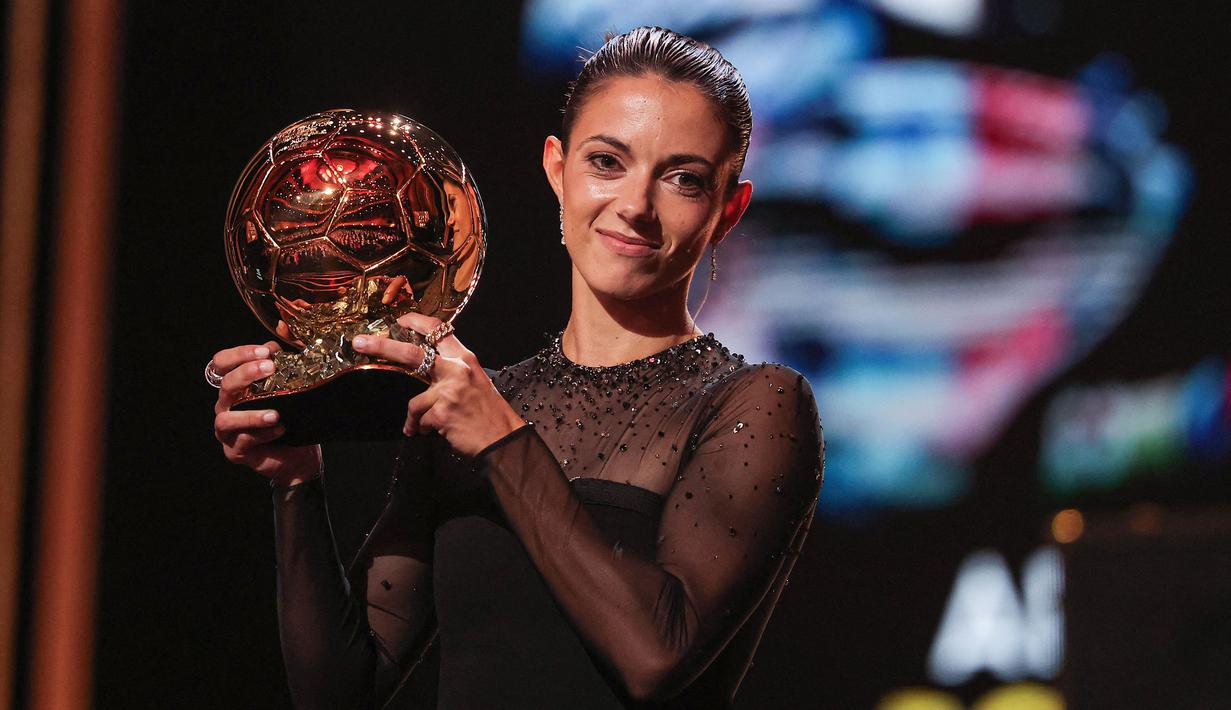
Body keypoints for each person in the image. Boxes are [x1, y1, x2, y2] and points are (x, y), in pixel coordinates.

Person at [210, 26, 823, 709]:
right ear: (557, 169)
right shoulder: (472, 408)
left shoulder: (753, 405)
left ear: (727, 209)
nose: (635, 206)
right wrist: (297, 485)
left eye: (681, 178)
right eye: (607, 162)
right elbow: (342, 691)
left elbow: (658, 657)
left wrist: (502, 441)